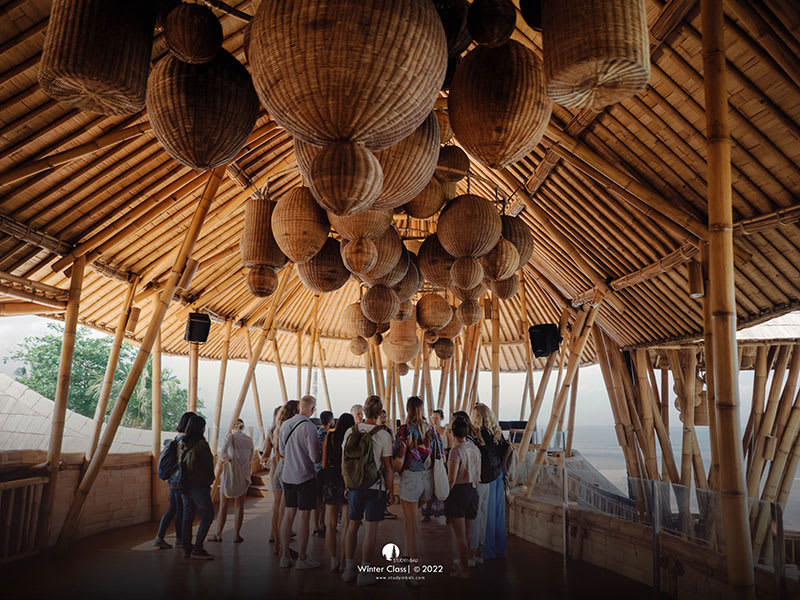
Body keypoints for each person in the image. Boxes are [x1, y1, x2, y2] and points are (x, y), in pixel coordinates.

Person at [341, 395, 394, 586]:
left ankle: (348, 569)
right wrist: (390, 490)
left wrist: (347, 484)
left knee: (352, 526)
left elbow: (344, 461)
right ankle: (365, 571)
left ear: (364, 411)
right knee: (371, 530)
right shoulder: (383, 435)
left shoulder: (351, 431)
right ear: (379, 413)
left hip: (354, 485)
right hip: (375, 487)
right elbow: (388, 467)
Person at [393, 396, 443, 568]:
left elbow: (399, 457)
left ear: (408, 410)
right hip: (428, 480)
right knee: (413, 519)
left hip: (411, 479)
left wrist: (399, 472)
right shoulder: (432, 430)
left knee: (411, 526)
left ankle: (415, 570)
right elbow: (440, 455)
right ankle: (407, 553)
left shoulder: (405, 430)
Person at [279, 395, 322, 569]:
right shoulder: (309, 427)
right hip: (305, 477)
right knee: (304, 517)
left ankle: (285, 556)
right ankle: (302, 558)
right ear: (312, 409)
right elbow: (315, 457)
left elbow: (282, 450)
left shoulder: (285, 424)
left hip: (287, 476)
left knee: (288, 515)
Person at [470, 403, 510, 562]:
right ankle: (499, 549)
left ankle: (487, 550)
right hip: (499, 475)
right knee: (498, 515)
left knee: (486, 515)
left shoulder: (477, 436)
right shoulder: (497, 433)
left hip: (486, 477)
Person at [319, 412, 355, 572]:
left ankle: (333, 560)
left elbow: (323, 463)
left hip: (331, 479)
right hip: (346, 479)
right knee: (346, 524)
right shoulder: (352, 439)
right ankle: (344, 561)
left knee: (331, 524)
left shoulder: (330, 437)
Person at [446, 417, 481, 578]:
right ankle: (465, 564)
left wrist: (445, 495)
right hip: (473, 491)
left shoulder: (455, 451)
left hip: (459, 492)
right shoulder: (475, 449)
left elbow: (451, 479)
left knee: (459, 535)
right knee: (467, 532)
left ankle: (464, 569)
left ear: (453, 434)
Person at [209, 418, 254, 543]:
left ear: (232, 427)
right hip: (244, 476)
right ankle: (237, 536)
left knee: (223, 506)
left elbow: (223, 454)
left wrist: (229, 460)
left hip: (230, 475)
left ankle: (218, 535)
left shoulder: (229, 437)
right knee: (239, 506)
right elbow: (250, 458)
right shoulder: (249, 440)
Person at [154, 411, 195, 549]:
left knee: (174, 508)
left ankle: (162, 537)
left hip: (172, 478)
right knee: (179, 510)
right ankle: (177, 539)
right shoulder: (184, 440)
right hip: (179, 479)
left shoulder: (177, 437)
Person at [179, 415, 215, 559]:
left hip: (184, 484)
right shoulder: (202, 445)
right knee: (208, 515)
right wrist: (210, 480)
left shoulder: (183, 443)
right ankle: (198, 548)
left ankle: (186, 547)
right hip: (199, 485)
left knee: (188, 515)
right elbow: (208, 465)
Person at [264, 402, 299, 553]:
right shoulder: (292, 428)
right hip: (287, 468)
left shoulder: (273, 429)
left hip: (276, 468)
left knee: (276, 506)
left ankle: (275, 538)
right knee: (285, 509)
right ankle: (283, 543)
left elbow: (265, 454)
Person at [423, 409, 448, 522]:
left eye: (437, 418)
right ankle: (427, 512)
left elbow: (450, 446)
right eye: (433, 418)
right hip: (431, 462)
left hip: (441, 462)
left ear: (441, 418)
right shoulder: (428, 431)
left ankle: (444, 512)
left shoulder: (445, 431)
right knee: (429, 488)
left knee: (440, 484)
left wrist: (442, 453)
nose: (434, 420)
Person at [313, 411, 335, 538]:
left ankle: (316, 525)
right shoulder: (326, 435)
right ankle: (321, 524)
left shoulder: (317, 433)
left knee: (317, 500)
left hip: (315, 469)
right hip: (322, 469)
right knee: (322, 500)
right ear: (330, 421)